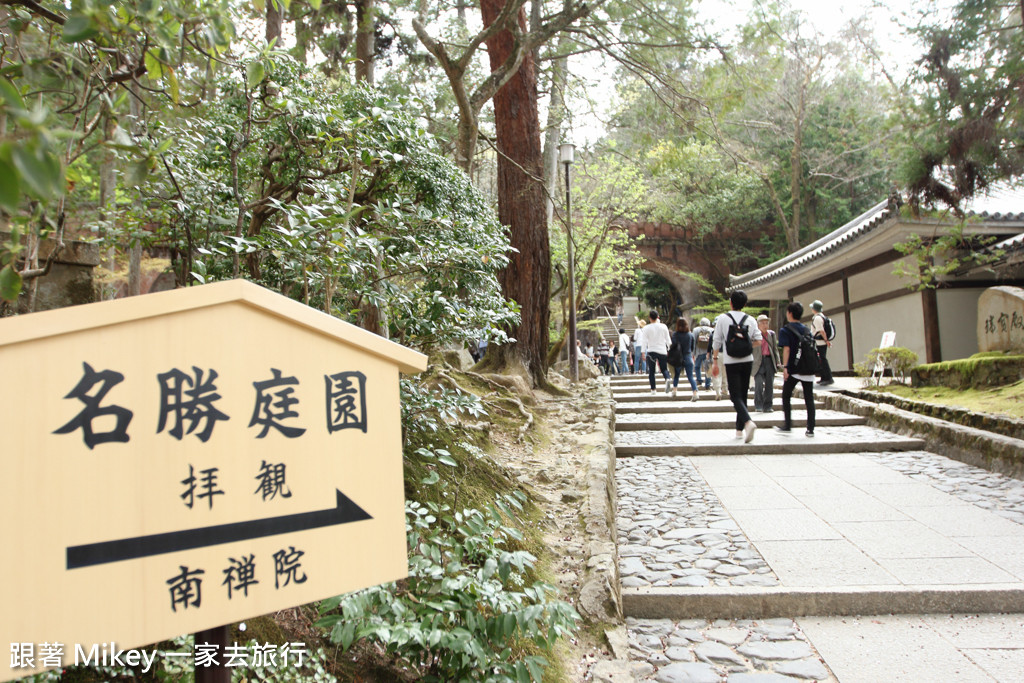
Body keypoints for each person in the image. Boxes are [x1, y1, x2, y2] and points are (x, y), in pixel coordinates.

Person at [711, 290, 761, 443]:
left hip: (731, 360)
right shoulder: (751, 320)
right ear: (745, 304)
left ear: (730, 303)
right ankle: (739, 431)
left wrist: (714, 361)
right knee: (743, 394)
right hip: (747, 360)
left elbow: (717, 341)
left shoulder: (723, 319)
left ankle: (747, 422)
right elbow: (758, 340)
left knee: (734, 395)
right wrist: (746, 346)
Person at [777, 301, 817, 436]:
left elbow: (787, 350)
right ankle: (810, 428)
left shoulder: (786, 330)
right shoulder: (806, 329)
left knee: (786, 395)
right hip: (808, 367)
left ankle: (788, 424)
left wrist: (786, 367)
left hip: (794, 368)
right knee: (809, 398)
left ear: (789, 313)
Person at [752, 314, 782, 413]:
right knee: (759, 384)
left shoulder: (771, 334)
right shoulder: (754, 335)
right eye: (763, 323)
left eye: (766, 323)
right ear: (758, 325)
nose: (765, 325)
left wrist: (778, 361)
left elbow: (775, 349)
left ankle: (768, 406)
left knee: (769, 384)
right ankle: (758, 405)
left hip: (769, 360)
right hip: (758, 362)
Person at [642, 310, 672, 395]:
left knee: (651, 371)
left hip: (651, 351)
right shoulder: (663, 326)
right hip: (662, 350)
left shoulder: (646, 328)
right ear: (658, 317)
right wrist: (670, 348)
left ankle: (653, 389)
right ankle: (667, 378)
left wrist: (643, 352)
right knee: (664, 369)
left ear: (649, 318)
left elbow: (644, 341)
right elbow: (668, 339)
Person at [669, 317, 698, 400]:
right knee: (690, 376)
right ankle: (695, 393)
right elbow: (692, 347)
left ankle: (674, 391)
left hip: (678, 357)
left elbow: (673, 345)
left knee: (676, 375)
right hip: (688, 356)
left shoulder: (675, 334)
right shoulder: (690, 334)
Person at [810, 300, 835, 387]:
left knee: (822, 360)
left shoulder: (817, 318)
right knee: (821, 360)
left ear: (814, 309)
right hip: (821, 341)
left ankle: (828, 378)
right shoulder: (822, 316)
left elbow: (821, 331)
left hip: (820, 342)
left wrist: (826, 340)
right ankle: (823, 377)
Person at [693, 317, 714, 390]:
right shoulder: (712, 330)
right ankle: (707, 384)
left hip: (699, 352)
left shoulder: (696, 330)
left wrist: (693, 352)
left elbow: (694, 341)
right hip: (708, 353)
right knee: (708, 368)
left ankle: (699, 380)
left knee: (697, 367)